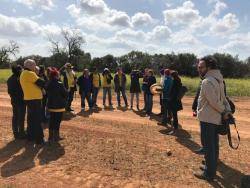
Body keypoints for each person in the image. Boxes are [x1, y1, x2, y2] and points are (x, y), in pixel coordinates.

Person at [194, 56, 231, 181]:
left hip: (208, 119)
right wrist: (227, 110)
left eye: (201, 67)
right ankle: (211, 167)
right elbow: (224, 99)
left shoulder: (207, 81)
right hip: (215, 119)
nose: (199, 69)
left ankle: (209, 173)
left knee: (209, 147)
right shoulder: (219, 79)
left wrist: (225, 111)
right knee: (213, 145)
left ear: (208, 68)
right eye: (198, 67)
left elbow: (214, 102)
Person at [20, 59, 45, 146]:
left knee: (31, 119)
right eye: (34, 65)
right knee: (37, 119)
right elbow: (42, 83)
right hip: (35, 100)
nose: (35, 67)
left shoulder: (23, 73)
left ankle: (31, 137)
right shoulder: (30, 73)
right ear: (30, 65)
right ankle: (40, 140)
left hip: (29, 99)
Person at [46, 68, 68, 143]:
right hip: (59, 106)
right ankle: (56, 136)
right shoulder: (60, 84)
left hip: (51, 106)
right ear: (56, 76)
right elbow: (65, 94)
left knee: (51, 121)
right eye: (58, 75)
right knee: (57, 122)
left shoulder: (48, 83)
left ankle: (50, 137)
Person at [7, 65, 26, 139]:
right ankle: (21, 133)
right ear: (19, 70)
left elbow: (9, 91)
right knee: (21, 117)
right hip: (21, 101)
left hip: (14, 100)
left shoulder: (9, 79)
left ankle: (15, 132)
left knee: (15, 116)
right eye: (21, 70)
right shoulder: (20, 79)